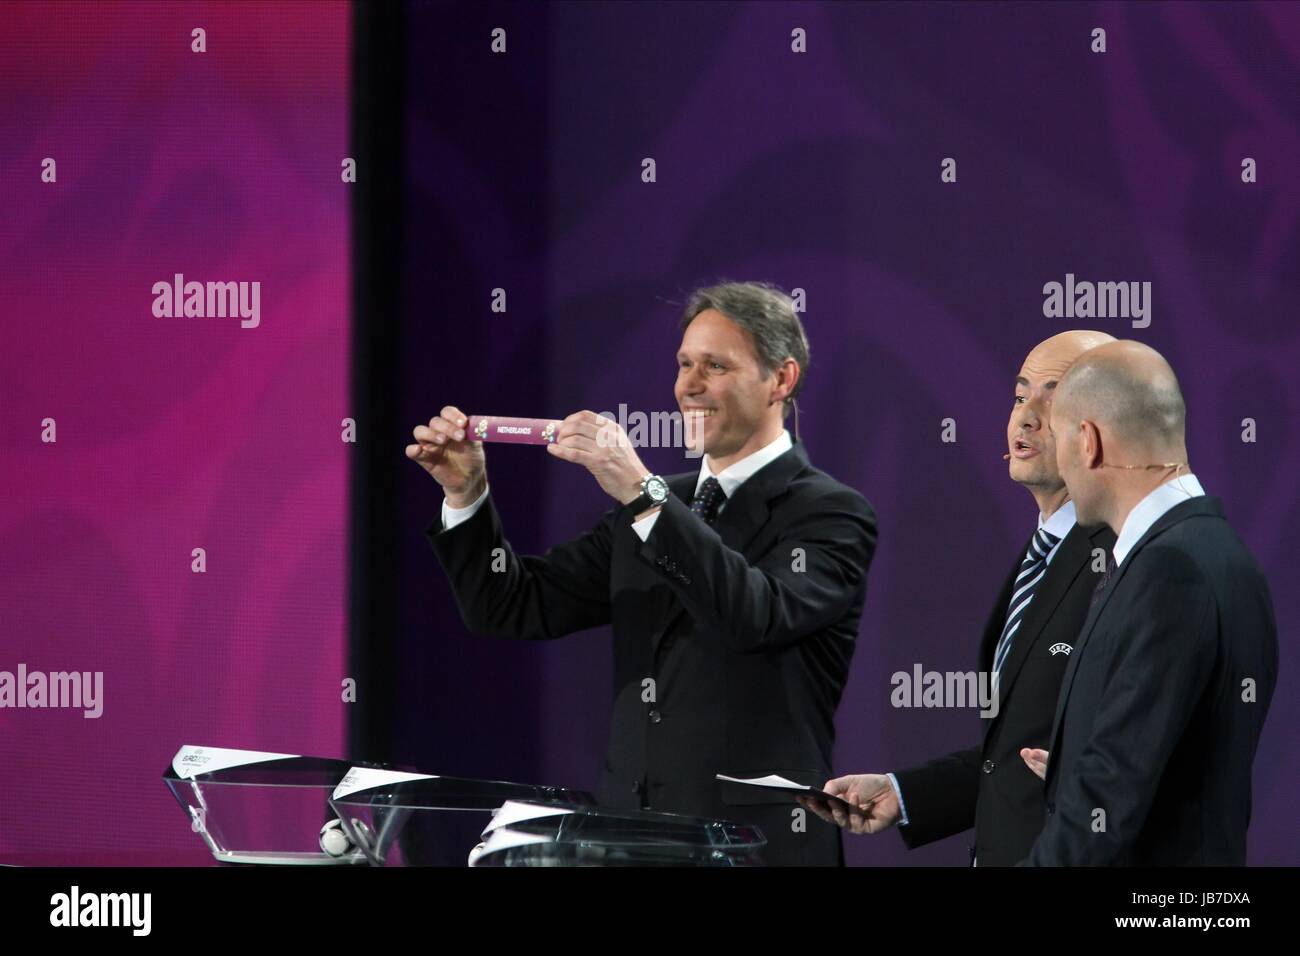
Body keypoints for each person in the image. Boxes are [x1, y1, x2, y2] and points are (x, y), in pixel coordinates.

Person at [406, 281, 877, 865]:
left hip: (755, 849)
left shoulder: (829, 511)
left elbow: (756, 615)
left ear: (781, 380)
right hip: (631, 842)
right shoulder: (650, 508)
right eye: (684, 364)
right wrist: (467, 495)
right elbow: (512, 604)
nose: (689, 386)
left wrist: (642, 490)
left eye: (715, 366)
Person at [804, 331, 1116, 866]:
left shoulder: (1120, 560)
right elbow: (1021, 752)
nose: (1025, 417)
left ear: (1103, 427)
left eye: (1055, 396)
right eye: (1020, 396)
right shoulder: (1042, 554)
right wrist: (902, 795)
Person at [1019, 340, 1277, 865]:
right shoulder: (1224, 554)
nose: (1063, 469)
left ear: (1088, 442)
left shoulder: (1168, 572)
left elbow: (1109, 800)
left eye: (1060, 439)